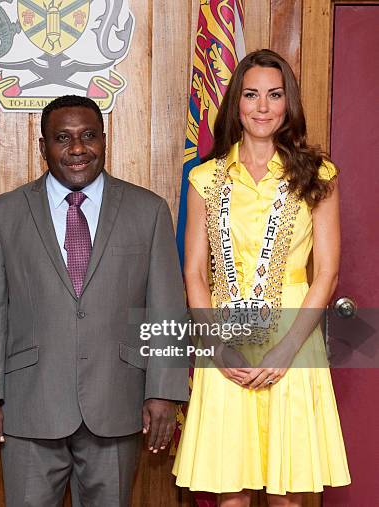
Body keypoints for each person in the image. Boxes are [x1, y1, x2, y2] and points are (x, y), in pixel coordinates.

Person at [0, 95, 189, 506]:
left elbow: (166, 308)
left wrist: (163, 391)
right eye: (62, 138)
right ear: (42, 147)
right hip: (29, 407)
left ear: (105, 140)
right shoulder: (3, 214)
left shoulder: (148, 211)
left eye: (89, 136)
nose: (77, 148)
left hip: (117, 402)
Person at [172, 49, 350, 506]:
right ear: (236, 103)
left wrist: (287, 350)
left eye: (274, 95)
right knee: (231, 491)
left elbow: (326, 272)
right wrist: (216, 345)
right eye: (251, 95)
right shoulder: (205, 178)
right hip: (224, 336)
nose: (263, 107)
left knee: (286, 491)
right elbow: (193, 270)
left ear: (288, 104)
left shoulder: (318, 173)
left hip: (294, 337)